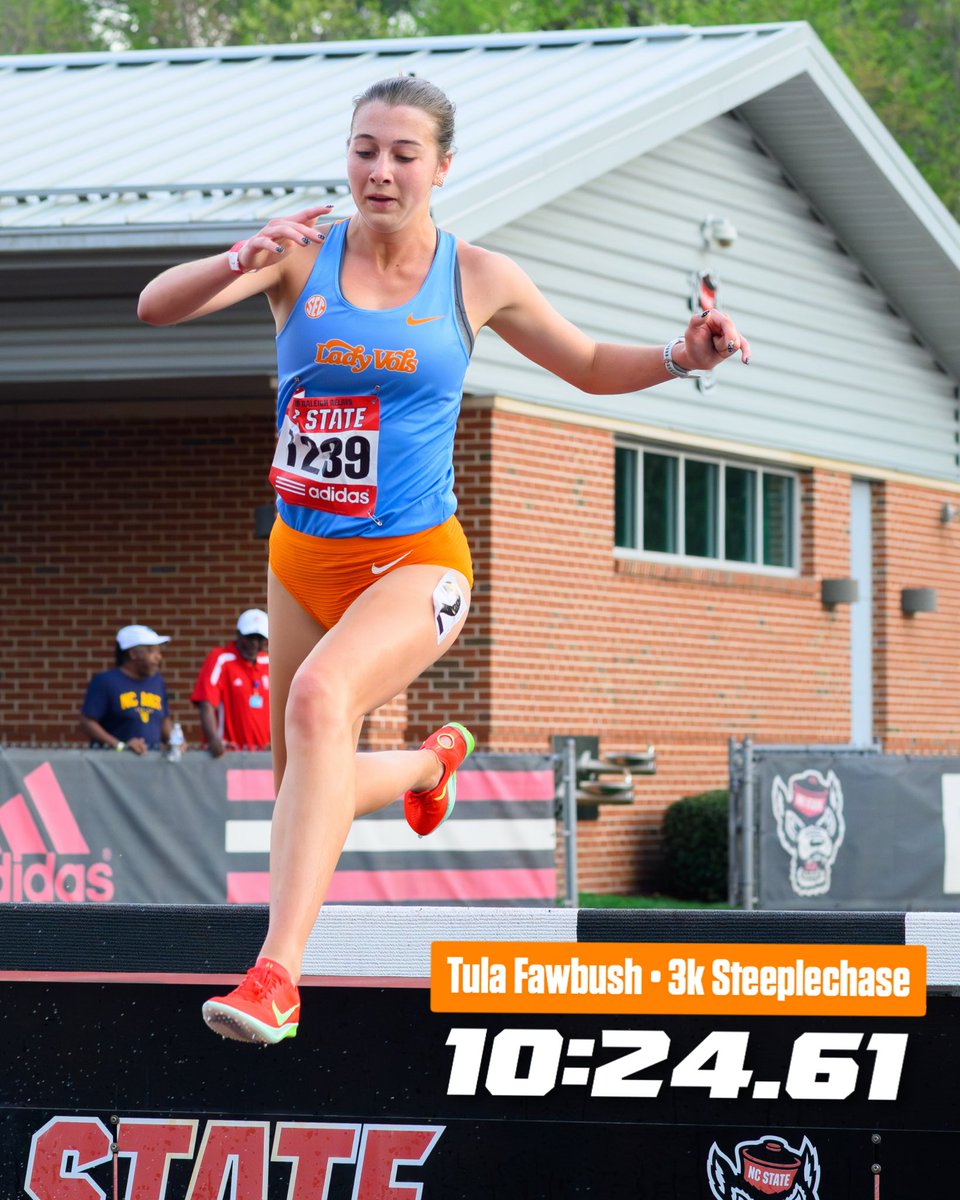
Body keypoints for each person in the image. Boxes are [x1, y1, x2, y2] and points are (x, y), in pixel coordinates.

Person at [138, 75, 751, 1046]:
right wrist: (235, 255)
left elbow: (589, 365)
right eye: (364, 149)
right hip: (300, 558)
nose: (380, 171)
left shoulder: (478, 276)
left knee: (318, 702)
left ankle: (277, 977)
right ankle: (431, 762)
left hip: (417, 562)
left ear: (442, 167)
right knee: (303, 782)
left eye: (403, 154)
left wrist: (684, 358)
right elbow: (153, 308)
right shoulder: (298, 253)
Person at [79, 625, 173, 754]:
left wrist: (174, 741)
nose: (158, 657)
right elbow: (87, 722)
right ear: (133, 654)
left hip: (151, 762)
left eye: (159, 651)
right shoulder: (105, 681)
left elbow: (164, 719)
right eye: (151, 651)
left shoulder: (157, 681)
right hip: (113, 763)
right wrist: (120, 745)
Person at [191, 609, 271, 755]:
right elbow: (206, 702)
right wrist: (214, 740)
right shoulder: (221, 659)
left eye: (260, 639)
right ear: (238, 635)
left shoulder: (268, 663)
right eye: (249, 637)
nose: (254, 643)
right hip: (228, 754)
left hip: (262, 755)